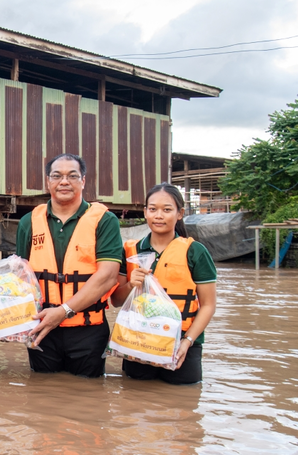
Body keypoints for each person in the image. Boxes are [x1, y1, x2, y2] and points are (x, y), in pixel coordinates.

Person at [16, 153, 122, 378]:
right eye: (57, 176)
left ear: (83, 181)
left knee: (88, 399)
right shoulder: (29, 222)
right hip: (42, 328)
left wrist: (63, 311)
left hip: (88, 331)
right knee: (42, 395)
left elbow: (108, 276)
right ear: (48, 181)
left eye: (72, 176)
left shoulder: (105, 221)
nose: (64, 181)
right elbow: (21, 278)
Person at [111, 183, 217, 384]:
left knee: (182, 405)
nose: (158, 215)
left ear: (180, 213)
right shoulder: (130, 251)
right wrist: (131, 284)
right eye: (153, 209)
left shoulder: (195, 251)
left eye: (167, 210)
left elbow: (209, 305)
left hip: (181, 343)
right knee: (132, 404)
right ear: (145, 212)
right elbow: (116, 301)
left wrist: (187, 341)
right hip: (138, 339)